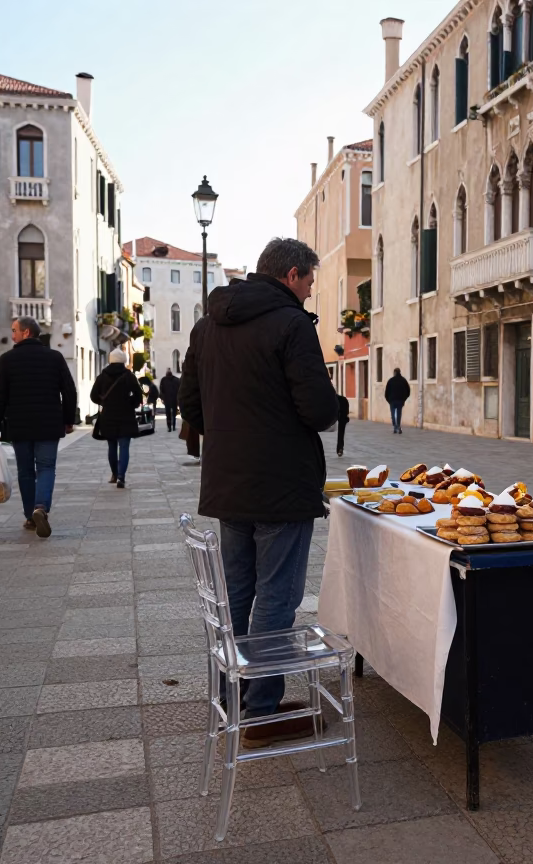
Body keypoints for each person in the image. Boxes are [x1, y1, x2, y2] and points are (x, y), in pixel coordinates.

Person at [180, 237, 337, 749]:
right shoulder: (292, 324)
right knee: (277, 598)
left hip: (228, 483)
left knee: (238, 594)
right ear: (292, 274)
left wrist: (225, 439)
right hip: (282, 486)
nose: (311, 293)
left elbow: (191, 406)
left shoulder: (207, 326)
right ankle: (260, 710)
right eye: (310, 281)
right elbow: (316, 410)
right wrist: (334, 403)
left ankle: (233, 695)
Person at [0, 316, 77, 539]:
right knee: (46, 468)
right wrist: (68, 420)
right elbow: (69, 391)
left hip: (20, 425)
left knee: (26, 471)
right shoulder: (55, 357)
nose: (13, 334)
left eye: (15, 330)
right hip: (48, 424)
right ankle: (41, 507)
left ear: (26, 332)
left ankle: (30, 515)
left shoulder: (8, 359)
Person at [90, 348, 144, 489]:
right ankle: (121, 477)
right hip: (125, 415)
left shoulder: (102, 376)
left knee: (112, 446)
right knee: (124, 446)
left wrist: (104, 403)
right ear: (123, 360)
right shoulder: (129, 375)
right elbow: (138, 395)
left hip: (108, 416)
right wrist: (130, 403)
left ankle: (114, 474)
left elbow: (93, 396)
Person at [384, 367, 410, 434]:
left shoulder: (391, 380)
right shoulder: (403, 380)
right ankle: (398, 426)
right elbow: (408, 391)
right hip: (400, 400)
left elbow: (386, 392)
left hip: (392, 400)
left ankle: (395, 426)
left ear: (394, 373)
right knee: (399, 414)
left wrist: (388, 400)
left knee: (393, 414)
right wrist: (404, 399)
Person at [160, 368, 180, 432]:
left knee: (168, 414)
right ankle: (173, 426)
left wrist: (162, 398)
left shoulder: (163, 380)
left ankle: (169, 427)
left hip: (167, 400)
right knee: (174, 413)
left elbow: (161, 390)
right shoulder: (176, 380)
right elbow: (179, 390)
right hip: (174, 399)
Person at [335, 380, 349, 459]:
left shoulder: (341, 400)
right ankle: (340, 448)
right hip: (341, 416)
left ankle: (340, 448)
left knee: (341, 431)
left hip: (340, 415)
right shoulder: (343, 400)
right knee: (341, 432)